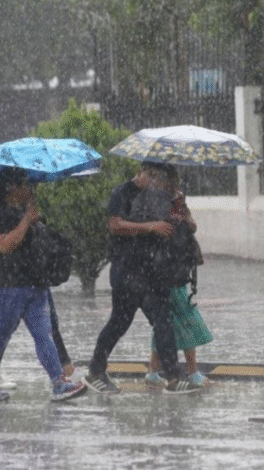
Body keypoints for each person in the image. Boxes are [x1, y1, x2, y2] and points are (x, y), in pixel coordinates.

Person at [82, 163, 202, 394]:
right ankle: (96, 370)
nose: (155, 181)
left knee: (163, 322)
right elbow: (115, 225)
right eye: (151, 175)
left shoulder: (166, 197)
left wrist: (180, 212)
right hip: (127, 270)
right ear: (140, 172)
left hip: (154, 272)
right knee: (119, 323)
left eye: (160, 177)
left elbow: (173, 227)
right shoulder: (122, 192)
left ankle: (174, 378)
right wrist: (150, 227)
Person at [0, 168, 86, 402]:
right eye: (26, 186)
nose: (31, 190)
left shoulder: (26, 210)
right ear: (13, 188)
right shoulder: (0, 213)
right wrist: (25, 222)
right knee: (0, 334)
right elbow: (4, 245)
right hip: (10, 286)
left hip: (35, 284)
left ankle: (59, 382)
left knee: (44, 334)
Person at [140, 178, 212, 388]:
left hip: (177, 273)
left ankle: (153, 372)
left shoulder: (177, 200)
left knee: (165, 325)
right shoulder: (151, 204)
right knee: (186, 321)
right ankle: (192, 372)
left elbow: (191, 226)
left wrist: (182, 214)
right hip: (163, 275)